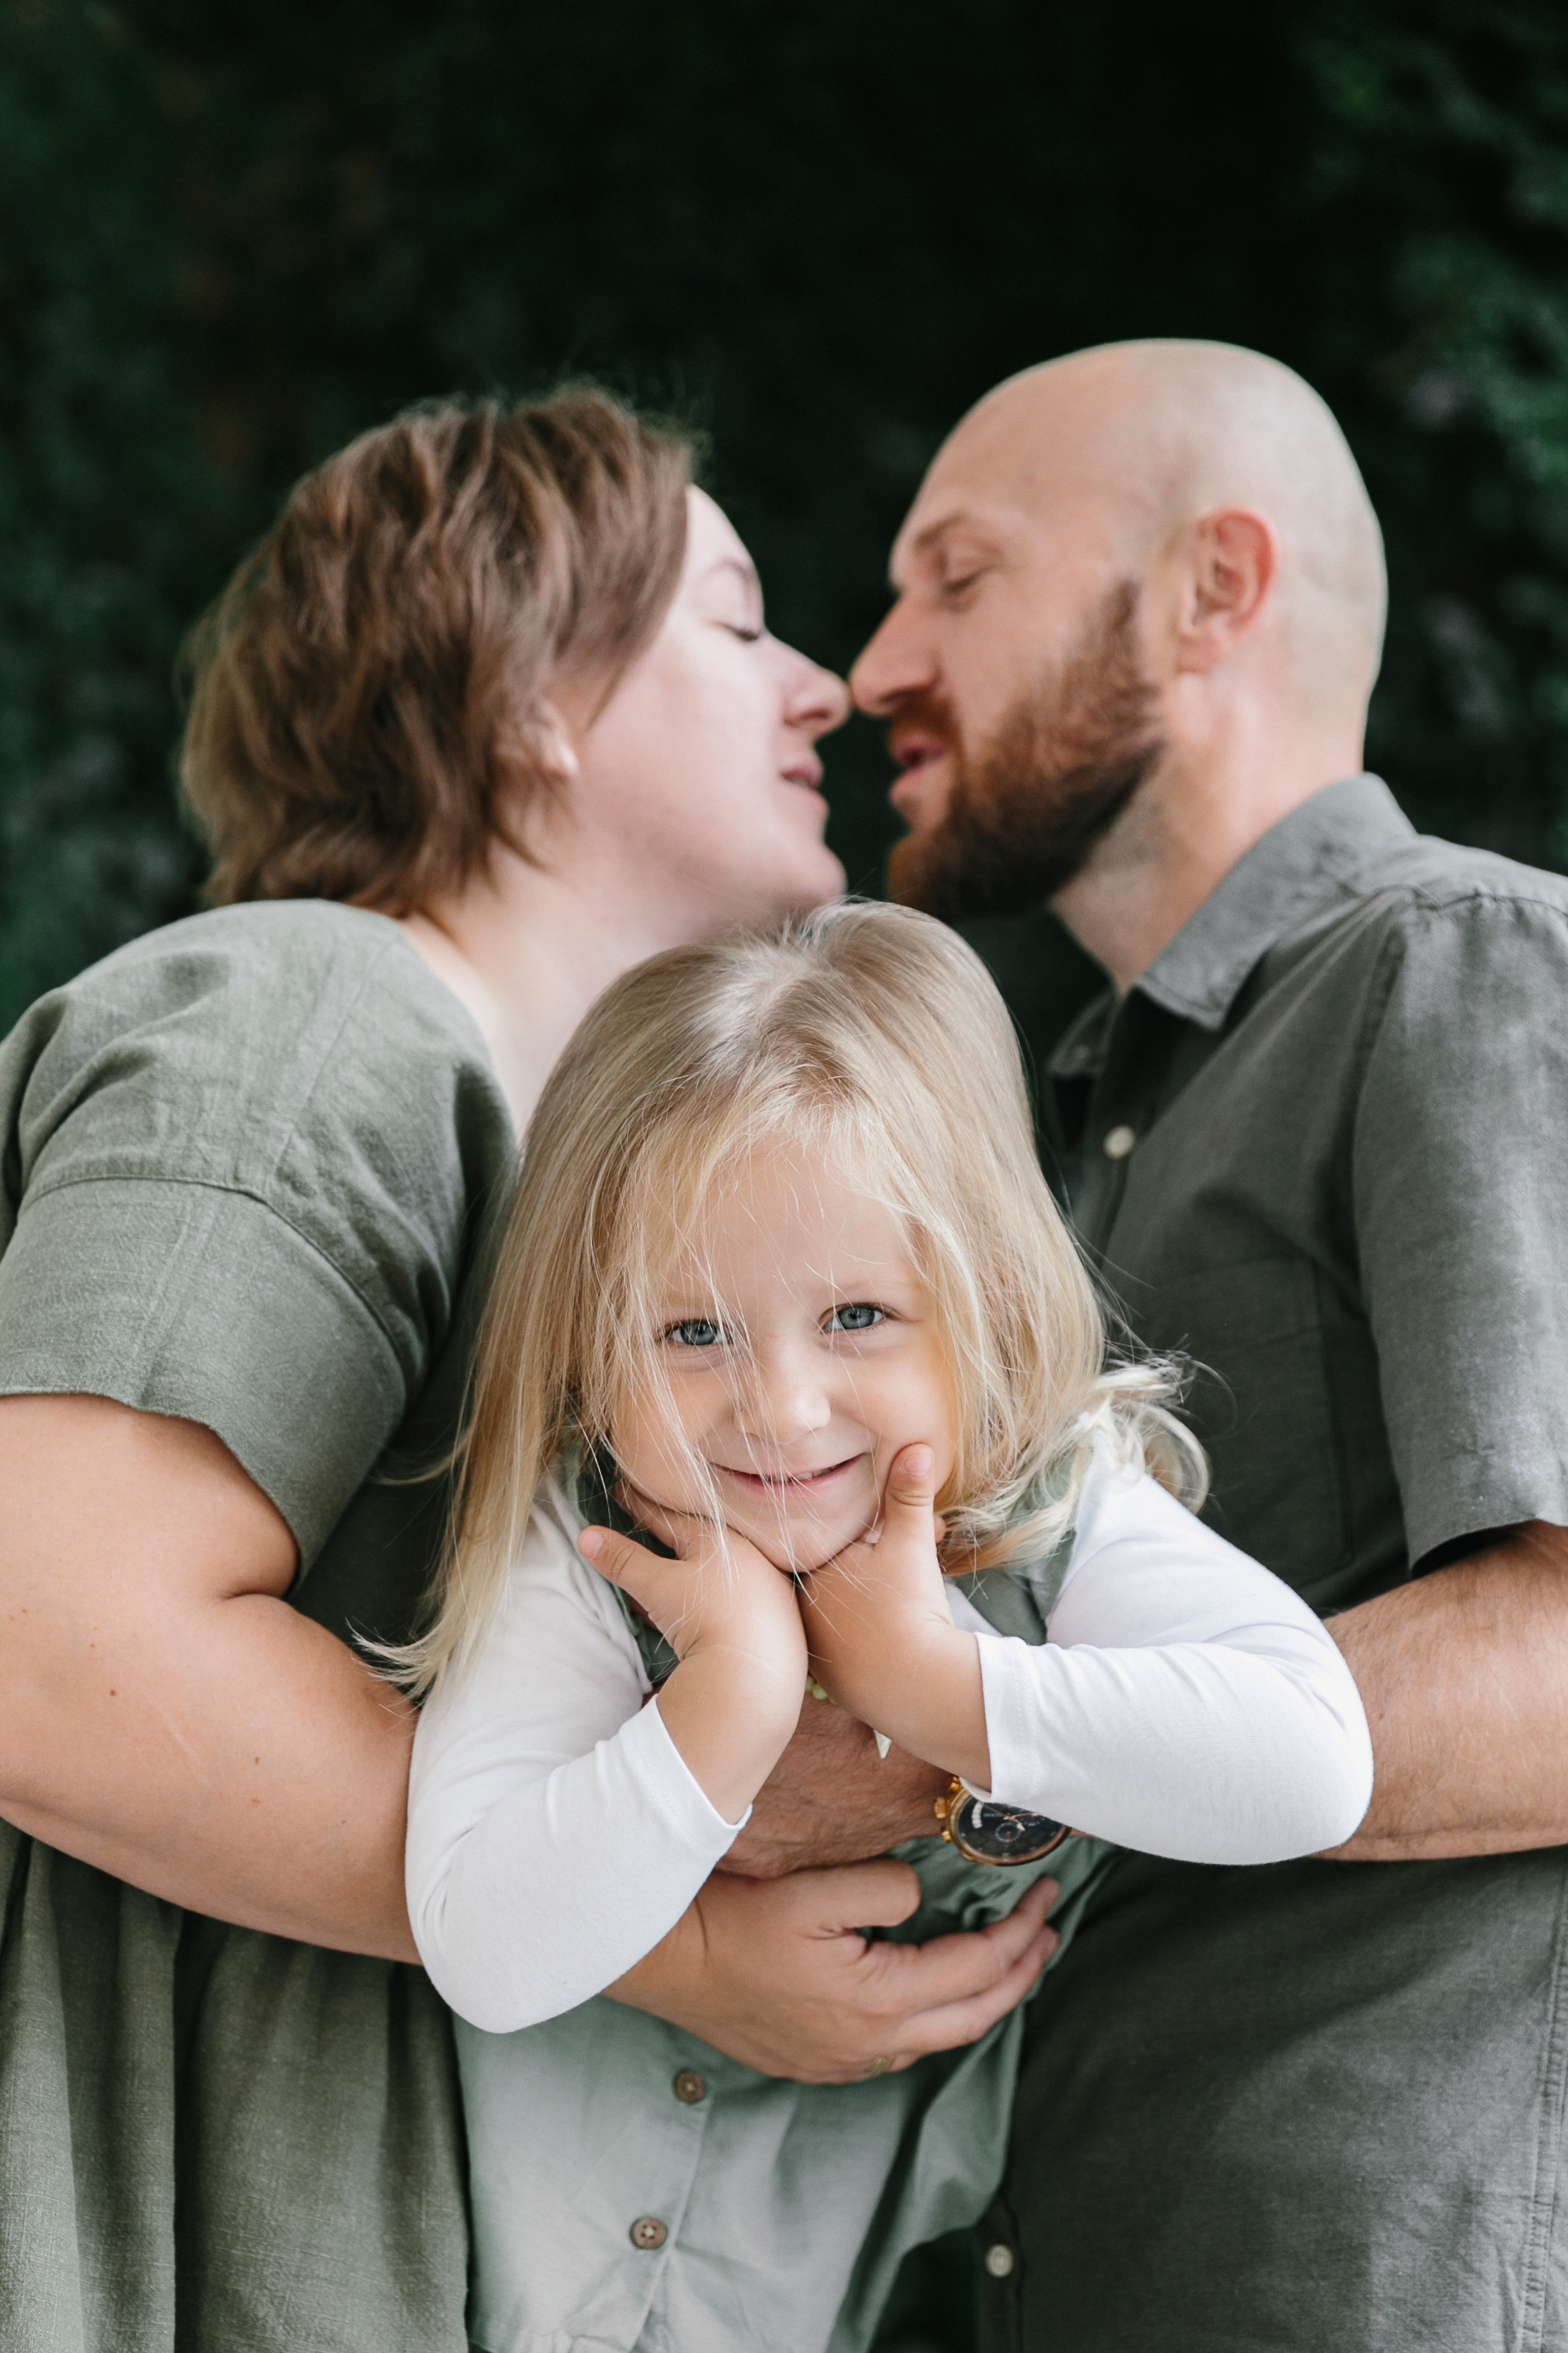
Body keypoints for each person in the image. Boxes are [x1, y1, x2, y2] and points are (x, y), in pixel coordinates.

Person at [0, 387, 1036, 2353]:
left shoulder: (552, 1158)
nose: (820, 685)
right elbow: (48, 1643)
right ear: (533, 693)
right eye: (736, 621)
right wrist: (668, 1929)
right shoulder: (321, 1017)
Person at [851, 336, 1568, 2350]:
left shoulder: (1460, 968)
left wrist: (959, 1758)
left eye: (956, 577)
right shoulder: (1070, 1127)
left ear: (1210, 591)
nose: (877, 663)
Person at [397, 898, 1371, 2353]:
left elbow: (1313, 1763)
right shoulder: (586, 1541)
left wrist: (928, 1676)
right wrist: (731, 1695)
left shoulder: (1054, 1499)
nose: (783, 1409)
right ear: (588, 1346)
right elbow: (485, 1945)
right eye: (693, 1332)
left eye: (857, 1316)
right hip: (542, 2296)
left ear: (985, 1302)